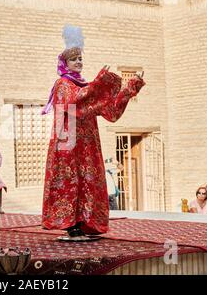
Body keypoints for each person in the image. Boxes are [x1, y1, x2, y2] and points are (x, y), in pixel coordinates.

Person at [41, 25, 145, 240]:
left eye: (80, 58)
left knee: (88, 181)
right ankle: (71, 225)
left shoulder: (85, 86)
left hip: (86, 145)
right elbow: (76, 102)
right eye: (74, 59)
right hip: (68, 145)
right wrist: (100, 83)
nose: (79, 62)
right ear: (64, 63)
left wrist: (131, 86)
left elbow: (110, 110)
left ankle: (86, 223)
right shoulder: (62, 84)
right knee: (71, 182)